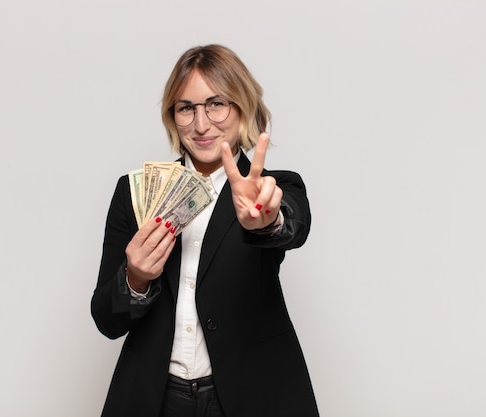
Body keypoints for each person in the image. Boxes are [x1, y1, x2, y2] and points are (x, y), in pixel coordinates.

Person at [91, 44, 319, 417]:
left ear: (242, 107)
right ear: (172, 116)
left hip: (252, 394)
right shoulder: (133, 193)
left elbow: (291, 226)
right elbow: (106, 320)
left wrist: (267, 221)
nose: (200, 124)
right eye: (186, 108)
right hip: (157, 398)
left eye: (216, 104)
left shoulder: (276, 188)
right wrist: (134, 279)